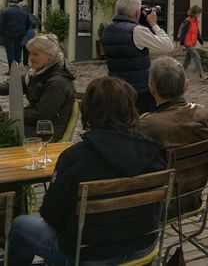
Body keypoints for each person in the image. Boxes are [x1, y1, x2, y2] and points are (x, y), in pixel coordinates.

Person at [7, 77, 166, 266]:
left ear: (88, 111)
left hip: (88, 253)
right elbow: (160, 210)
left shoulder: (75, 158)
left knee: (20, 226)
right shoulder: (153, 152)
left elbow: (51, 215)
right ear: (131, 109)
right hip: (142, 245)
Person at [139, 57, 208, 215]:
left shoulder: (147, 124)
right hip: (191, 200)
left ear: (152, 89)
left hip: (156, 207)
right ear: (186, 86)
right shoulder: (202, 114)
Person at [103, 0, 175, 114]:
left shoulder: (108, 29)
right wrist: (154, 24)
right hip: (139, 91)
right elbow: (168, 46)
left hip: (116, 88)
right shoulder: (137, 31)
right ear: (137, 13)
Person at [0, 34, 76, 139]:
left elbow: (41, 115)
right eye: (30, 53)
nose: (31, 58)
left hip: (47, 132)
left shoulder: (58, 82)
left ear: (50, 56)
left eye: (35, 54)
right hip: (35, 125)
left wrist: (8, 116)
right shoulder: (39, 72)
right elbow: (14, 84)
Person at [0, 0, 32, 70]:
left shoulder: (4, 11)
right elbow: (28, 24)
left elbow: (1, 23)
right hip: (20, 35)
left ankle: (12, 70)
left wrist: (1, 34)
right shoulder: (23, 12)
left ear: (9, 4)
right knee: (17, 51)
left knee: (10, 52)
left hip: (8, 35)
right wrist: (23, 32)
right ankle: (17, 67)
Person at [177, 5, 207, 80]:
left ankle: (181, 73)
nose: (199, 15)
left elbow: (197, 33)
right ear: (193, 13)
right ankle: (202, 74)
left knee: (188, 59)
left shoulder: (195, 22)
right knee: (197, 57)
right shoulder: (188, 21)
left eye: (199, 13)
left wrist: (202, 42)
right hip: (187, 43)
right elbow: (183, 33)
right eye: (198, 13)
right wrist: (181, 44)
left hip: (192, 43)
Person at [19, 2, 36, 66]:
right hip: (31, 32)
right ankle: (26, 62)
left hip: (25, 32)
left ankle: (23, 62)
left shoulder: (22, 15)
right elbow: (34, 24)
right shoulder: (30, 14)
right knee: (28, 48)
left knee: (23, 47)